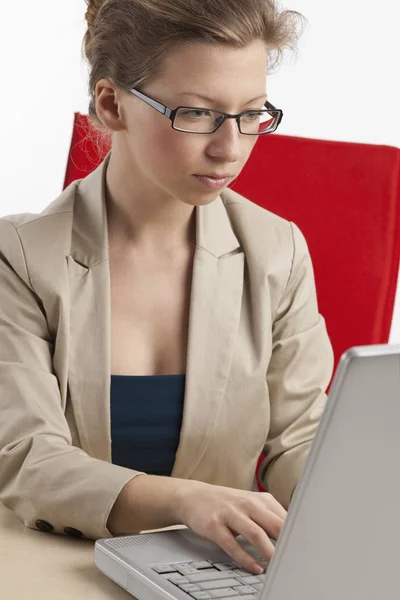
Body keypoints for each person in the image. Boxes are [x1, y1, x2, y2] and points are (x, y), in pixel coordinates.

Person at [0, 0, 334, 575]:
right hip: (51, 569)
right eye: (198, 114)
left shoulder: (276, 250)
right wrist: (186, 499)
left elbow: (300, 442)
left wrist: (364, 500)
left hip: (220, 574)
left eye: (252, 114)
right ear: (111, 104)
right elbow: (30, 460)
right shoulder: (20, 258)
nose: (230, 148)